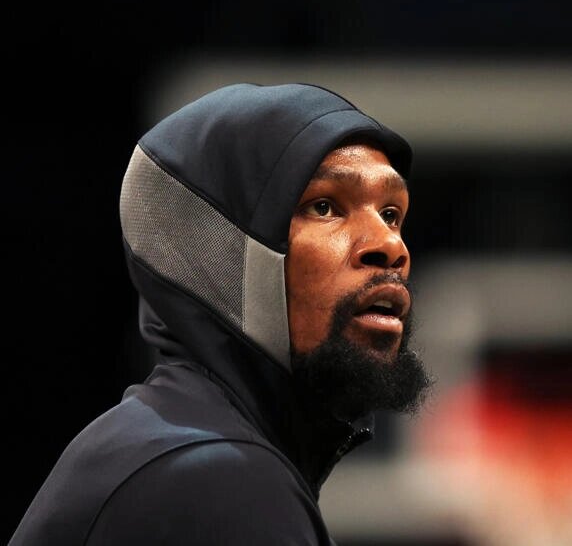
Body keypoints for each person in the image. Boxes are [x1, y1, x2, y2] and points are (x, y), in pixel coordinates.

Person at [10, 83, 432, 545]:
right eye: (325, 207)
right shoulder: (213, 477)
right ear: (221, 252)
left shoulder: (175, 446)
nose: (391, 246)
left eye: (392, 213)